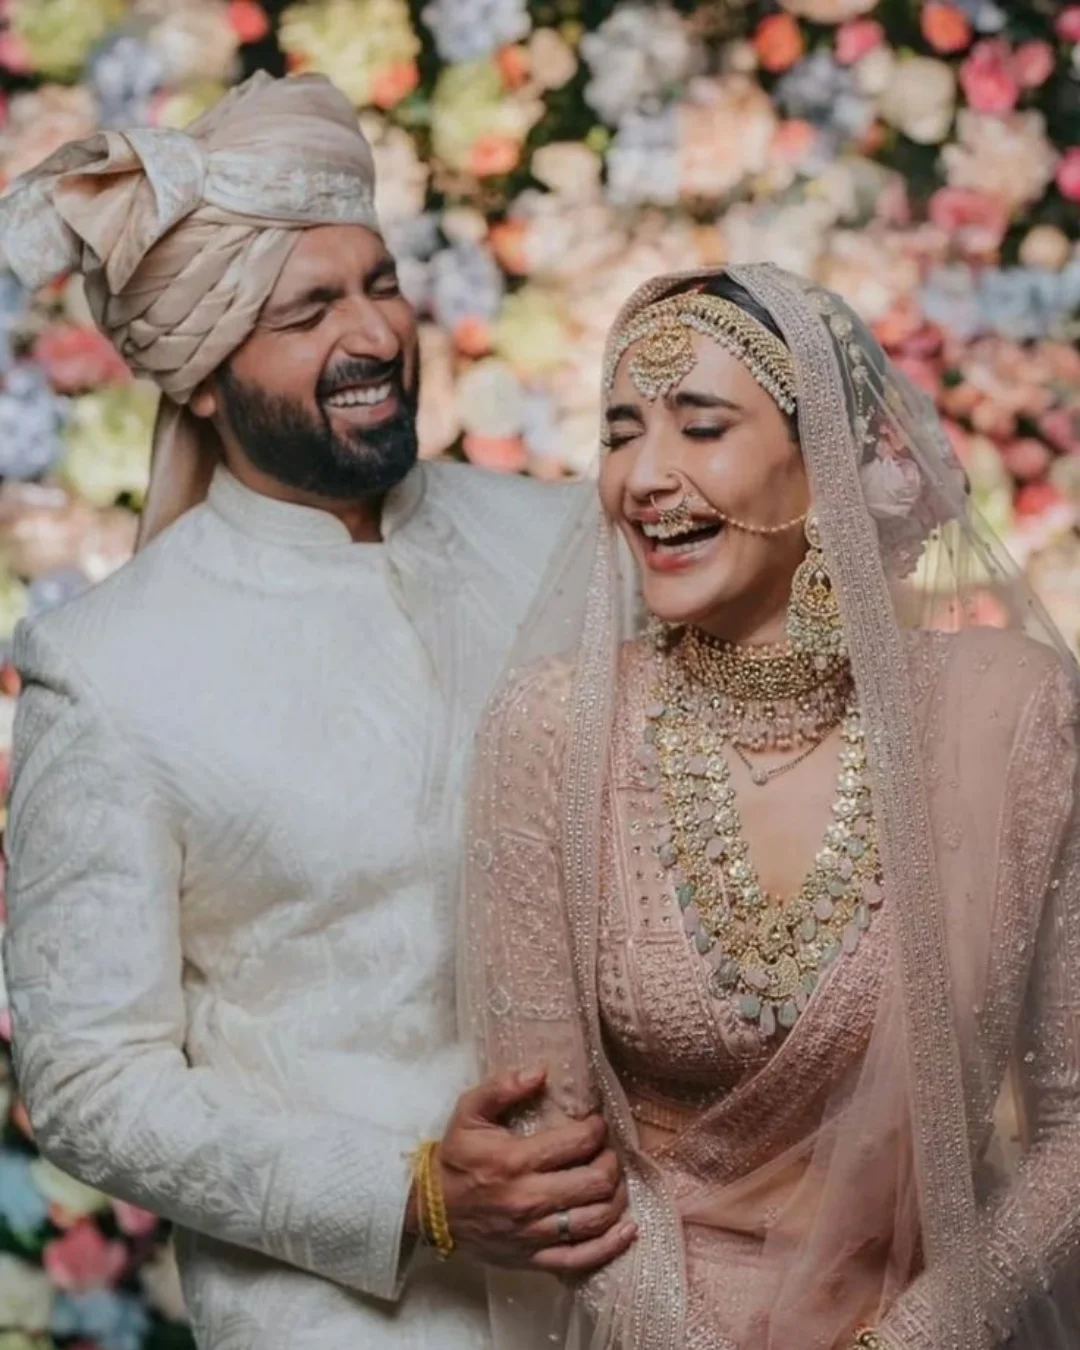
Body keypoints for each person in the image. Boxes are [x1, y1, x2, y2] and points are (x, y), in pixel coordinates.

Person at [0, 73, 635, 1350]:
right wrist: (411, 1197)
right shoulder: (109, 670)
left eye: (379, 286)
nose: (373, 334)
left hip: (643, 1280)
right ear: (204, 375)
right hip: (352, 1322)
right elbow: (86, 1079)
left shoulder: (567, 535)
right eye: (307, 311)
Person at [462, 263, 1080, 1350]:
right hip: (653, 1325)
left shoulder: (1008, 717)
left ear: (826, 460)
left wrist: (911, 1339)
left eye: (701, 427)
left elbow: (1075, 1120)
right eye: (620, 434)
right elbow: (553, 1145)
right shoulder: (554, 729)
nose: (643, 478)